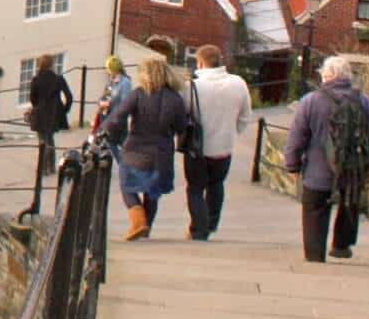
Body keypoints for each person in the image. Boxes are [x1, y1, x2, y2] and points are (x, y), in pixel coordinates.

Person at [283, 55, 369, 262]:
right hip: (353, 169)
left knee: (314, 211)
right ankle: (341, 245)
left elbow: (297, 136)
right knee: (350, 204)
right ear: (348, 76)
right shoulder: (366, 102)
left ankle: (314, 253)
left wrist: (292, 164)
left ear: (326, 76)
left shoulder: (311, 101)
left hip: (318, 170)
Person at [102, 57, 188, 240]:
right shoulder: (175, 98)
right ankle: (145, 228)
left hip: (135, 149)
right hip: (161, 153)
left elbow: (117, 117)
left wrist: (104, 132)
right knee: (152, 193)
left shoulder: (139, 94)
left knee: (127, 185)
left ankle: (138, 221)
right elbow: (182, 127)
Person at [184, 45, 253, 240]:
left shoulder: (193, 85)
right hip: (224, 146)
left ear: (200, 62)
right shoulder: (238, 83)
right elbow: (246, 115)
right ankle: (212, 223)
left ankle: (199, 228)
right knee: (216, 185)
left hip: (197, 147)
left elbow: (184, 112)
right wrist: (233, 131)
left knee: (195, 188)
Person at [26, 55, 74, 179]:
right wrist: (64, 110)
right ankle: (51, 167)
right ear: (51, 65)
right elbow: (69, 96)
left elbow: (32, 98)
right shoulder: (58, 79)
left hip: (40, 114)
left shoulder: (36, 80)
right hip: (54, 113)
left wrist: (37, 106)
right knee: (50, 139)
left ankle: (44, 169)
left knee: (43, 141)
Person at [93, 55, 133, 137]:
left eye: (108, 68)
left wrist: (110, 103)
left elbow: (125, 103)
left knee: (116, 145)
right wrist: (101, 102)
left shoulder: (125, 83)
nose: (107, 71)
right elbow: (104, 96)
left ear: (113, 69)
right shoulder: (111, 81)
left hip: (117, 121)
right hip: (106, 117)